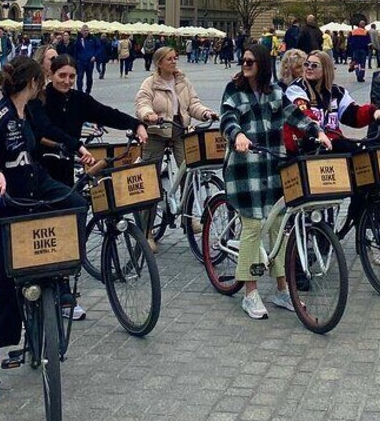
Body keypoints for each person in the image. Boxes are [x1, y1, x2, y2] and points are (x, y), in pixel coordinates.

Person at [0, 56, 88, 404]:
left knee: (77, 204)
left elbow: (39, 141)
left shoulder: (26, 112)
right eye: (40, 81)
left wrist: (69, 147)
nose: (43, 85)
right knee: (2, 285)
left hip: (38, 185)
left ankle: (63, 274)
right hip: (10, 202)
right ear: (31, 83)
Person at [219, 44, 331, 319]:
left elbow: (295, 115)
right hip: (245, 171)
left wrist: (317, 131)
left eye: (250, 61)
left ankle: (283, 290)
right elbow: (227, 118)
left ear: (262, 64)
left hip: (272, 167)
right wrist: (238, 135)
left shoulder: (275, 92)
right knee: (254, 227)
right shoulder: (234, 90)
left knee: (279, 227)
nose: (245, 65)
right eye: (243, 60)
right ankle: (250, 293)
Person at [134, 46, 217, 251]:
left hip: (180, 130)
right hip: (157, 133)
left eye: (175, 58)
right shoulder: (150, 83)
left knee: (188, 170)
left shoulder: (182, 80)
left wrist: (206, 113)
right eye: (169, 59)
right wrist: (149, 115)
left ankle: (187, 218)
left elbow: (193, 105)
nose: (174, 61)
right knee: (150, 179)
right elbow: (142, 103)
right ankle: (147, 231)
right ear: (159, 63)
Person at [41, 54, 147, 186]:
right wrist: (77, 146)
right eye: (62, 75)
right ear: (51, 74)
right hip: (42, 163)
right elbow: (46, 128)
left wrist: (136, 125)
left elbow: (107, 114)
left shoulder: (79, 100)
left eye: (72, 76)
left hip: (66, 163)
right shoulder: (41, 99)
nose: (67, 81)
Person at [75, 25, 101, 94]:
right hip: (80, 61)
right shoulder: (78, 39)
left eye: (87, 30)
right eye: (84, 31)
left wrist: (95, 56)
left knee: (89, 77)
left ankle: (88, 91)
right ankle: (79, 92)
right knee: (79, 77)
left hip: (90, 61)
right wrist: (76, 59)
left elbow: (99, 48)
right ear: (81, 31)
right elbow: (75, 49)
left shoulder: (93, 39)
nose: (86, 32)